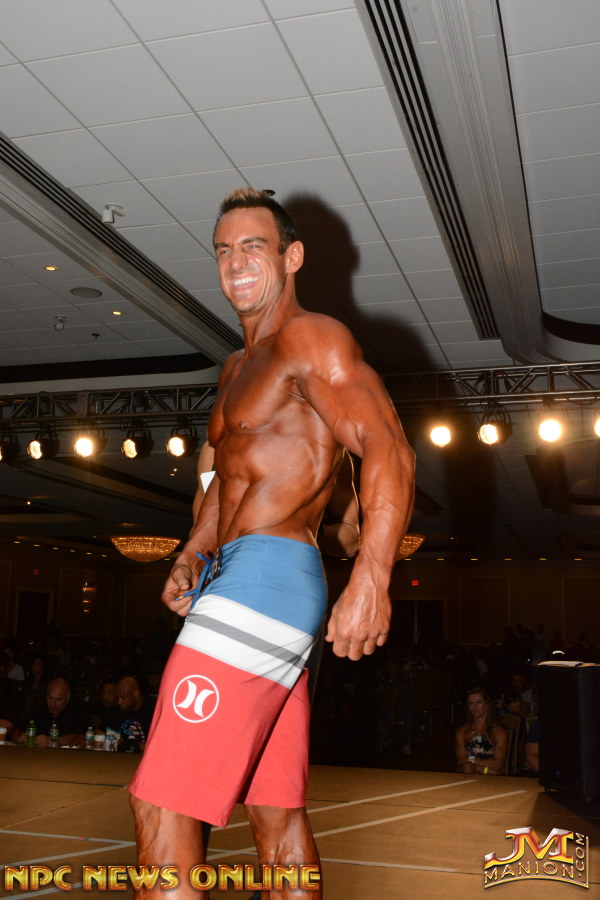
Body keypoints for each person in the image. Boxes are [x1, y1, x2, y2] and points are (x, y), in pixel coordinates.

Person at [128, 186, 415, 899]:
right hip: (239, 575)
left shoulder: (311, 340)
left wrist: (373, 575)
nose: (236, 263)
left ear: (292, 257)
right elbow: (225, 486)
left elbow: (387, 445)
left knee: (162, 799)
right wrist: (193, 551)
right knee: (274, 810)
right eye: (224, 250)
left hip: (270, 577)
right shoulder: (236, 368)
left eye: (253, 247)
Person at [13, 677, 90, 748]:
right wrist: (20, 737)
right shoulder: (39, 710)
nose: (53, 704)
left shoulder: (79, 712)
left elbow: (82, 737)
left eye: (58, 700)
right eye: (50, 698)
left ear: (68, 697)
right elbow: (17, 731)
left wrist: (54, 741)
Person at [455, 688, 508, 776]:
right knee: (467, 767)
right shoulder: (462, 731)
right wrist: (483, 769)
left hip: (489, 777)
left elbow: (497, 765)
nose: (475, 706)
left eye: (479, 702)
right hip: (470, 772)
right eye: (471, 703)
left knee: (468, 766)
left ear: (486, 705)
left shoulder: (498, 732)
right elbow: (461, 761)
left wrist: (471, 760)